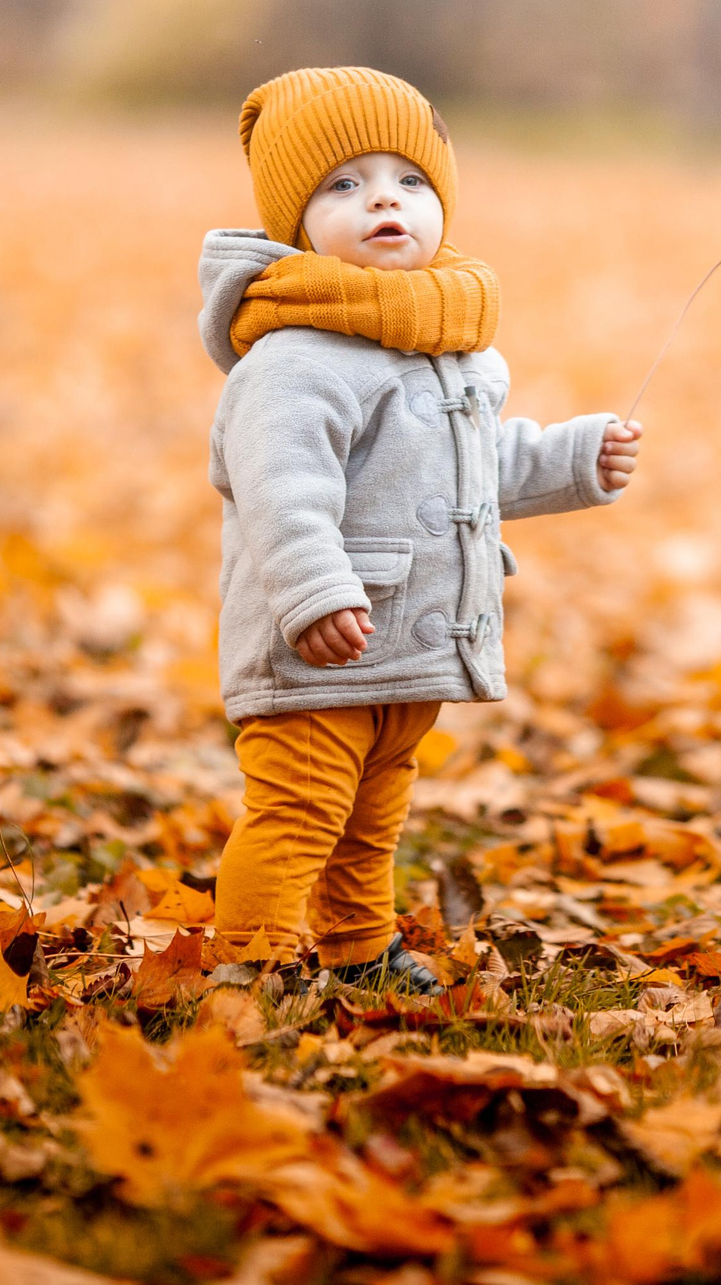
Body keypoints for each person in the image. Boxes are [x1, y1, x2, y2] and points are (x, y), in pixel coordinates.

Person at [195, 66, 641, 990]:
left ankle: (359, 952)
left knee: (371, 817)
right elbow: (282, 489)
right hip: (320, 645)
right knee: (300, 810)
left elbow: (467, 464)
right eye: (343, 185)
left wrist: (572, 458)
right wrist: (312, 592)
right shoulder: (296, 357)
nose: (383, 200)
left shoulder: (443, 346)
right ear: (297, 222)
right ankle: (251, 967)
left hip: (404, 645)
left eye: (410, 180)